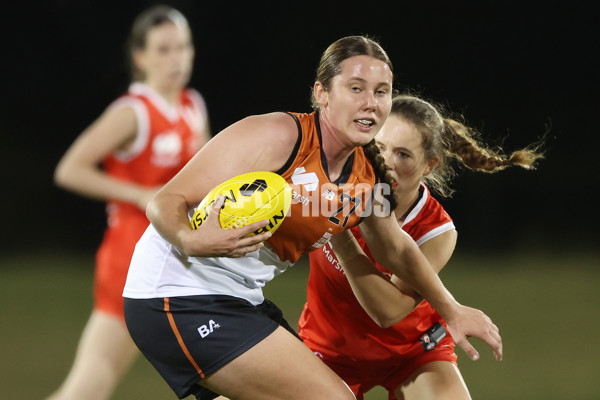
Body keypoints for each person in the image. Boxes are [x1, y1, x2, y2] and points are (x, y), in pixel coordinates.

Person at [122, 35, 502, 400]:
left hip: (237, 300)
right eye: (356, 88)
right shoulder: (278, 136)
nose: (370, 102)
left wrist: (452, 310)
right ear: (321, 93)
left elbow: (397, 250)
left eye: (381, 91)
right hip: (175, 293)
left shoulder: (365, 175)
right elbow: (164, 201)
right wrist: (191, 239)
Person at [298, 93, 544, 400]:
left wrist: (336, 231)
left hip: (412, 353)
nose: (386, 162)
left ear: (429, 166)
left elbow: (387, 312)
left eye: (403, 154)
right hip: (329, 351)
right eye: (380, 147)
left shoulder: (436, 231)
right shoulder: (333, 182)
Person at [48, 5, 211, 400]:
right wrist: (139, 195)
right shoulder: (133, 113)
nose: (176, 59)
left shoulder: (192, 106)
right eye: (163, 49)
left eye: (183, 47)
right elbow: (70, 169)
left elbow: (208, 178)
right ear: (140, 57)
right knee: (90, 385)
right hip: (132, 258)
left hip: (181, 257)